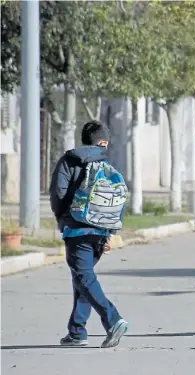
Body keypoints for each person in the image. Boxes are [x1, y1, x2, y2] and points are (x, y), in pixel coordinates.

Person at [49, 121, 129, 348]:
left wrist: (63, 220)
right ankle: (77, 331)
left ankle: (113, 320)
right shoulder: (107, 166)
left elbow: (57, 195)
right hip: (100, 232)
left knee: (83, 277)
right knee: (83, 278)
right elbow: (118, 202)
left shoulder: (68, 160)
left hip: (77, 230)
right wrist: (111, 232)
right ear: (103, 142)